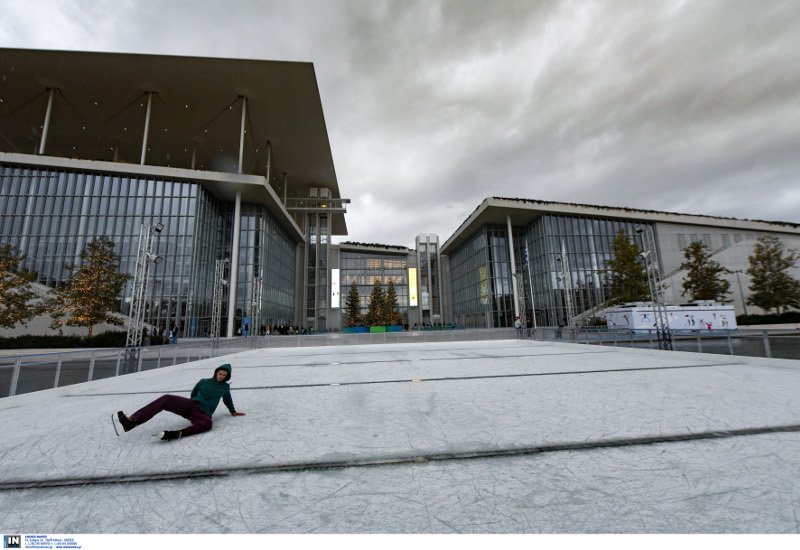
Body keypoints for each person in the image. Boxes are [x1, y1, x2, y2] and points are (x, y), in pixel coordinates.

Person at [116, 364, 245, 441]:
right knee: (166, 398)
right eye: (220, 373)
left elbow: (227, 400)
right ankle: (132, 421)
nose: (221, 376)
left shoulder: (225, 387)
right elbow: (194, 393)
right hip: (192, 405)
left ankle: (176, 434)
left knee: (207, 424)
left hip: (204, 413)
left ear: (227, 377)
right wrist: (191, 403)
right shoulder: (204, 381)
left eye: (224, 375)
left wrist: (233, 411)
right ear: (216, 372)